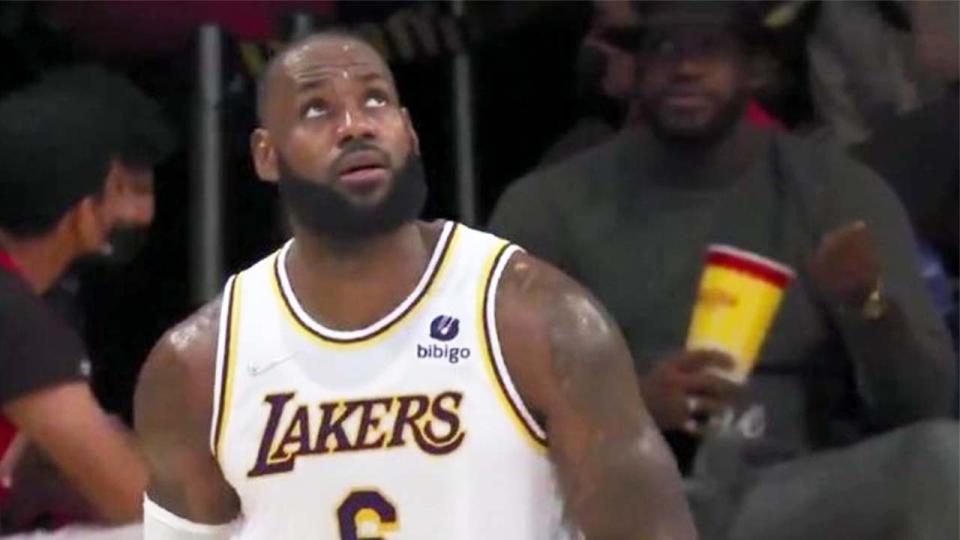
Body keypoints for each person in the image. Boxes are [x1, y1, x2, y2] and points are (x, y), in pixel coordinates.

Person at [134, 31, 696, 540]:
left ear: (409, 128)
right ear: (266, 155)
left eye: (374, 99)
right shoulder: (199, 365)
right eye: (316, 109)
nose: (355, 125)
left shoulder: (535, 320)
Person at [489, 3, 957, 539]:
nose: (685, 69)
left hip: (794, 491)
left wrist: (869, 310)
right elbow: (482, 399)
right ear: (635, 69)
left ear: (756, 68)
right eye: (664, 50)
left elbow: (927, 404)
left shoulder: (838, 192)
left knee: (939, 460)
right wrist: (629, 408)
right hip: (623, 494)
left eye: (708, 48)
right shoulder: (550, 205)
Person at [0, 67, 173, 527]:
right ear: (86, 208)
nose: (142, 212)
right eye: (127, 187)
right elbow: (137, 503)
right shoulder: (15, 315)